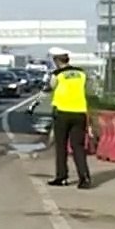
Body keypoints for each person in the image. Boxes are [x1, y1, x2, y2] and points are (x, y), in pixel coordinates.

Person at [39, 48, 93, 189]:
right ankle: (85, 177)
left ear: (56, 61)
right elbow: (86, 88)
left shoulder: (57, 74)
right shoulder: (81, 73)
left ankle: (62, 176)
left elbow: (49, 87)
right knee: (78, 147)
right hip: (80, 112)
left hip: (62, 112)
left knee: (61, 146)